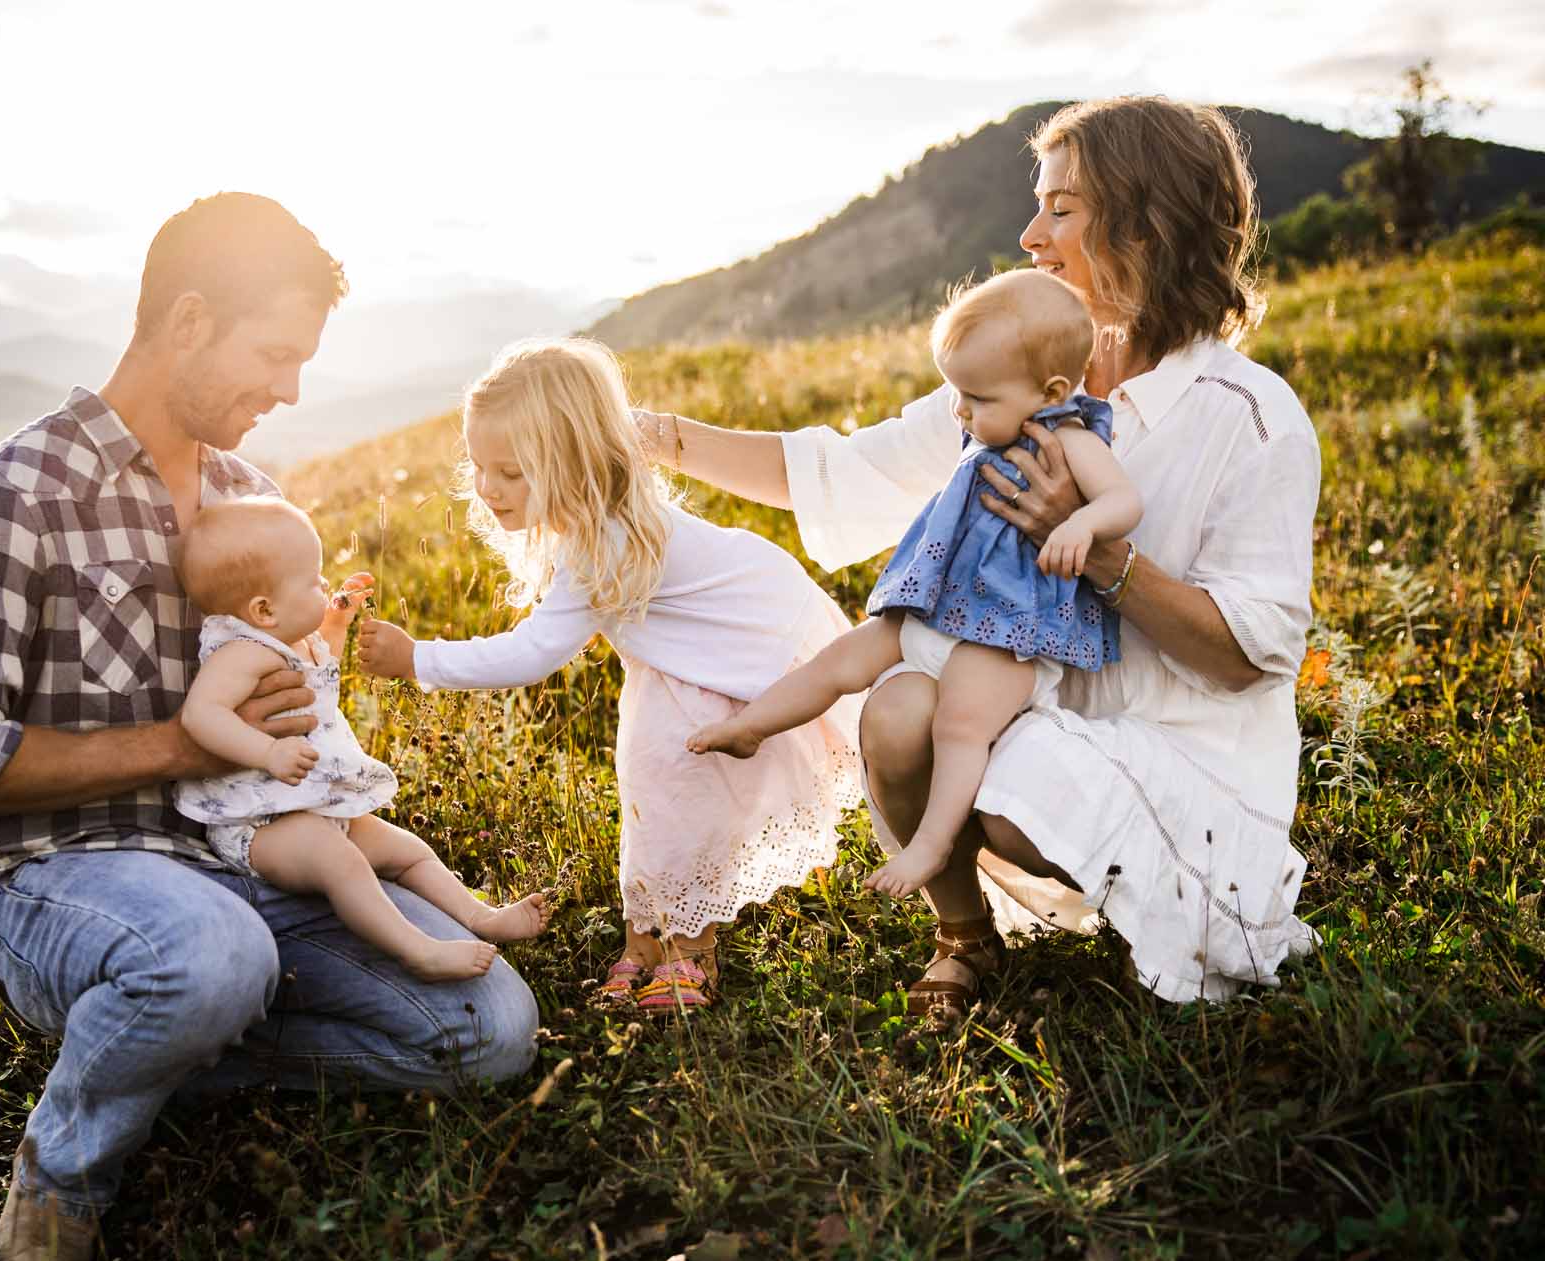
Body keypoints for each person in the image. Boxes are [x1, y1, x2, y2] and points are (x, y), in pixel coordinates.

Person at [0, 194, 538, 1261]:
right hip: (64, 877)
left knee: (492, 1030)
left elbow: (284, 690)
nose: (290, 390)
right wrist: (184, 749)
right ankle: (60, 1176)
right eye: (276, 355)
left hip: (250, 861)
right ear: (188, 322)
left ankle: (165, 1046)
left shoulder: (251, 499)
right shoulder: (4, 498)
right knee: (209, 954)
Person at [638, 95, 1319, 1019]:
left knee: (1013, 785)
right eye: (1038, 206)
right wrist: (655, 437)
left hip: (1187, 761)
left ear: (1148, 225)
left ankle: (1165, 904)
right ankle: (963, 934)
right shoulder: (1015, 378)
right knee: (896, 706)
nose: (1031, 235)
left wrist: (1098, 552)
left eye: (1062, 209)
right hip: (1026, 711)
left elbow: (1246, 656)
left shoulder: (1253, 418)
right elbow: (841, 469)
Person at [358, 338, 864, 1013]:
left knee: (679, 785)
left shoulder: (609, 535)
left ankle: (690, 949)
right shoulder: (589, 525)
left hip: (754, 651)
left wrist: (418, 658)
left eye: (510, 471)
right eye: (477, 466)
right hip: (696, 655)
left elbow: (532, 652)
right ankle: (645, 939)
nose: (486, 487)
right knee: (646, 776)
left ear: (572, 463)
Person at [688, 270, 1141, 953]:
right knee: (845, 658)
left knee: (961, 721)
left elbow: (1124, 501)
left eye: (977, 398)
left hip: (1011, 634)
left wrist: (1082, 525)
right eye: (958, 392)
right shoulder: (988, 425)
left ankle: (932, 843)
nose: (960, 411)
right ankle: (753, 725)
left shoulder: (1073, 437)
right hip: (941, 607)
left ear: (1051, 392)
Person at [172, 495, 550, 980]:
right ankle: (417, 951)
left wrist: (334, 622)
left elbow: (320, 672)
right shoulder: (241, 653)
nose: (324, 584)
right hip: (261, 825)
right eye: (313, 580)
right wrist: (266, 750)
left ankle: (480, 916)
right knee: (341, 863)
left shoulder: (287, 639)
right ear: (264, 610)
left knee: (407, 851)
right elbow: (201, 715)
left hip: (312, 806)